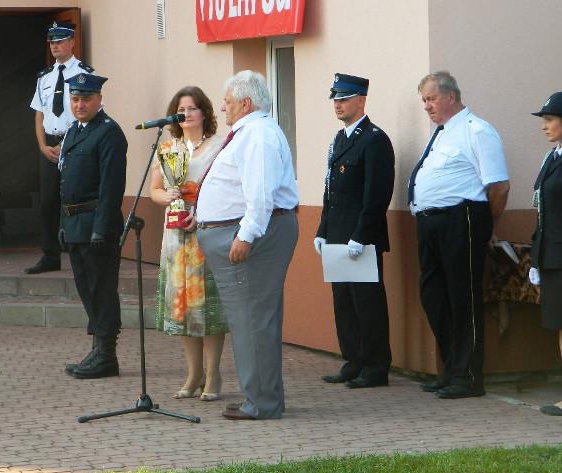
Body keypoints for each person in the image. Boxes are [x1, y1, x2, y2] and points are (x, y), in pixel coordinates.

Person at [193, 70, 299, 420]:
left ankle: (262, 403)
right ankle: (260, 397)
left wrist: (246, 235)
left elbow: (260, 192)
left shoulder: (258, 135)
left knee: (253, 321)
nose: (223, 108)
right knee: (250, 321)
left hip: (250, 238)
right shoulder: (250, 132)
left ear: (246, 103)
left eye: (227, 102)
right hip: (238, 233)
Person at [410, 71, 510, 398]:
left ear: (450, 97)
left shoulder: (476, 130)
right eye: (424, 100)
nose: (426, 106)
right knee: (433, 296)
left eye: (431, 99)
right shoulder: (441, 134)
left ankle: (467, 376)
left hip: (461, 220)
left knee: (462, 297)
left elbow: (499, 186)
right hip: (430, 223)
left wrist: (486, 227)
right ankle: (452, 367)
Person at [315, 73, 395, 389]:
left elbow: (377, 195)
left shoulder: (374, 139)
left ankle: (375, 366)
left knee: (367, 304)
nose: (338, 104)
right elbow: (330, 190)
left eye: (344, 99)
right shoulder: (340, 139)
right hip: (337, 236)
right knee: (344, 304)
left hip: (361, 239)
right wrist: (322, 229)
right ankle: (354, 360)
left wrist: (361, 235)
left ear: (361, 100)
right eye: (335, 99)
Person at [150, 86, 228, 401]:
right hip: (176, 235)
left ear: (204, 112)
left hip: (206, 230)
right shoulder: (169, 148)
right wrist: (167, 196)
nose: (186, 114)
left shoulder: (219, 146)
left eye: (192, 108)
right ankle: (194, 373)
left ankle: (214, 374)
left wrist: (202, 211)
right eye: (181, 110)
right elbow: (155, 190)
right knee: (183, 305)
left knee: (206, 305)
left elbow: (225, 189)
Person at [58, 73, 127, 379]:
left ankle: (107, 355)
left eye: (86, 99)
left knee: (102, 290)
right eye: (75, 99)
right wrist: (62, 223)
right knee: (87, 289)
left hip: (97, 225)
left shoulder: (109, 133)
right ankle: (98, 349)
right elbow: (65, 183)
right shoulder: (73, 132)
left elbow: (111, 188)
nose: (80, 105)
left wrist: (102, 228)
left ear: (99, 99)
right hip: (75, 224)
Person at [26, 21, 95, 274]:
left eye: (60, 41)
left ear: (72, 42)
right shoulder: (44, 77)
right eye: (52, 42)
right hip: (50, 146)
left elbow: (90, 112)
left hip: (75, 142)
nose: (55, 46)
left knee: (77, 198)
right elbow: (39, 114)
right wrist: (42, 146)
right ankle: (50, 255)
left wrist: (67, 144)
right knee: (47, 203)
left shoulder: (84, 73)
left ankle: (82, 252)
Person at [528, 92, 562, 416]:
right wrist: (536, 256)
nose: (544, 126)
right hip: (552, 255)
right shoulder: (552, 157)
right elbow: (544, 210)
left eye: (550, 119)